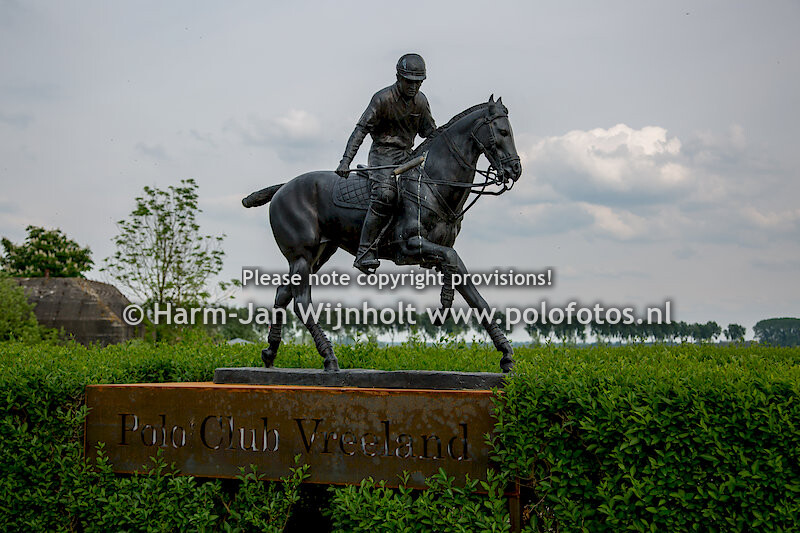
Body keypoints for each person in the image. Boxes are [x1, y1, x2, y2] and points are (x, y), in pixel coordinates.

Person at [336, 53, 436, 273]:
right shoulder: (382, 98)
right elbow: (361, 130)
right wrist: (345, 161)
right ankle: (365, 250)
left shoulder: (421, 101)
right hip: (383, 155)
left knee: (425, 194)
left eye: (418, 82)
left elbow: (430, 132)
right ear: (398, 78)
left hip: (408, 156)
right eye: (409, 81)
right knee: (385, 195)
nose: (413, 86)